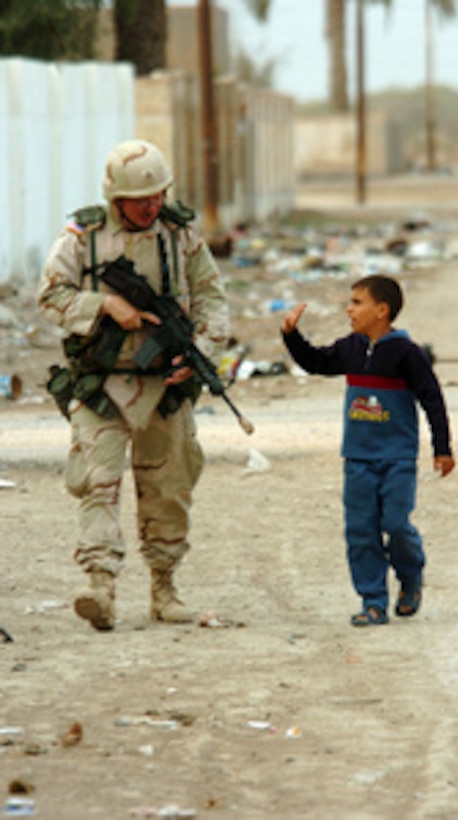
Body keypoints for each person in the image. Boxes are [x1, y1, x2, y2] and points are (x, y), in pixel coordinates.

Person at [38, 138, 229, 631]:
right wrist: (104, 306)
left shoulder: (180, 236)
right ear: (114, 199)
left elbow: (211, 296)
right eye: (141, 199)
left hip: (166, 385)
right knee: (98, 484)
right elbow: (51, 294)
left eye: (158, 195)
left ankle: (164, 591)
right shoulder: (85, 237)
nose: (152, 206)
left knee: (169, 487)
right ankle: (99, 587)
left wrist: (201, 352)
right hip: (102, 385)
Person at [281, 274, 455, 627]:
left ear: (382, 310)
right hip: (358, 457)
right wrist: (291, 335)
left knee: (395, 523)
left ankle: (410, 575)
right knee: (360, 529)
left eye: (357, 302)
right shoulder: (351, 348)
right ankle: (373, 601)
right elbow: (315, 362)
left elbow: (432, 400)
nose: (349, 308)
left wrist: (442, 448)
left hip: (397, 458)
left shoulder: (408, 353)